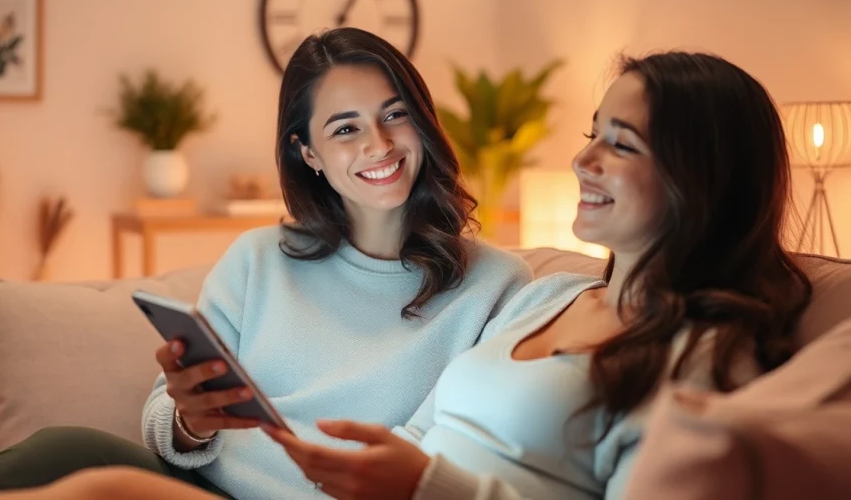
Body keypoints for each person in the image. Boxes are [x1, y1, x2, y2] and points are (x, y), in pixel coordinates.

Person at [0, 28, 536, 500]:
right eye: (345, 128)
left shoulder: (496, 286)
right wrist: (191, 419)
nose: (377, 144)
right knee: (65, 449)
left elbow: (438, 456)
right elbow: (162, 421)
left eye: (394, 114)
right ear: (309, 153)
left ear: (422, 121)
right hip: (196, 485)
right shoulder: (259, 257)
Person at [259, 50, 814, 499]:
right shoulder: (549, 297)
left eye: (621, 144)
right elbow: (418, 435)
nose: (582, 162)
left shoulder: (704, 357)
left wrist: (426, 488)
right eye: (592, 136)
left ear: (701, 181)